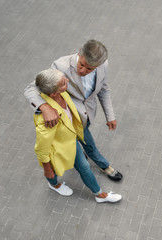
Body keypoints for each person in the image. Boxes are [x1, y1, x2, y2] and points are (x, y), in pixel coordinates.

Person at [24, 39, 123, 181]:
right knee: (89, 144)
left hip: (87, 115)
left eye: (89, 69)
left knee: (83, 142)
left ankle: (81, 155)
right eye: (81, 65)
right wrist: (44, 107)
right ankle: (104, 166)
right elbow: (30, 89)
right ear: (79, 53)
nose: (83, 71)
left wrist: (110, 116)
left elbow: (104, 90)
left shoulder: (103, 65)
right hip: (68, 120)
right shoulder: (60, 65)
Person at [33, 68, 121, 203]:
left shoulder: (61, 94)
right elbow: (41, 148)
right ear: (54, 93)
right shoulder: (46, 119)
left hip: (71, 139)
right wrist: (47, 168)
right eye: (63, 83)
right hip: (58, 149)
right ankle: (54, 184)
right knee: (53, 171)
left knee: (84, 167)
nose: (67, 81)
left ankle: (99, 195)